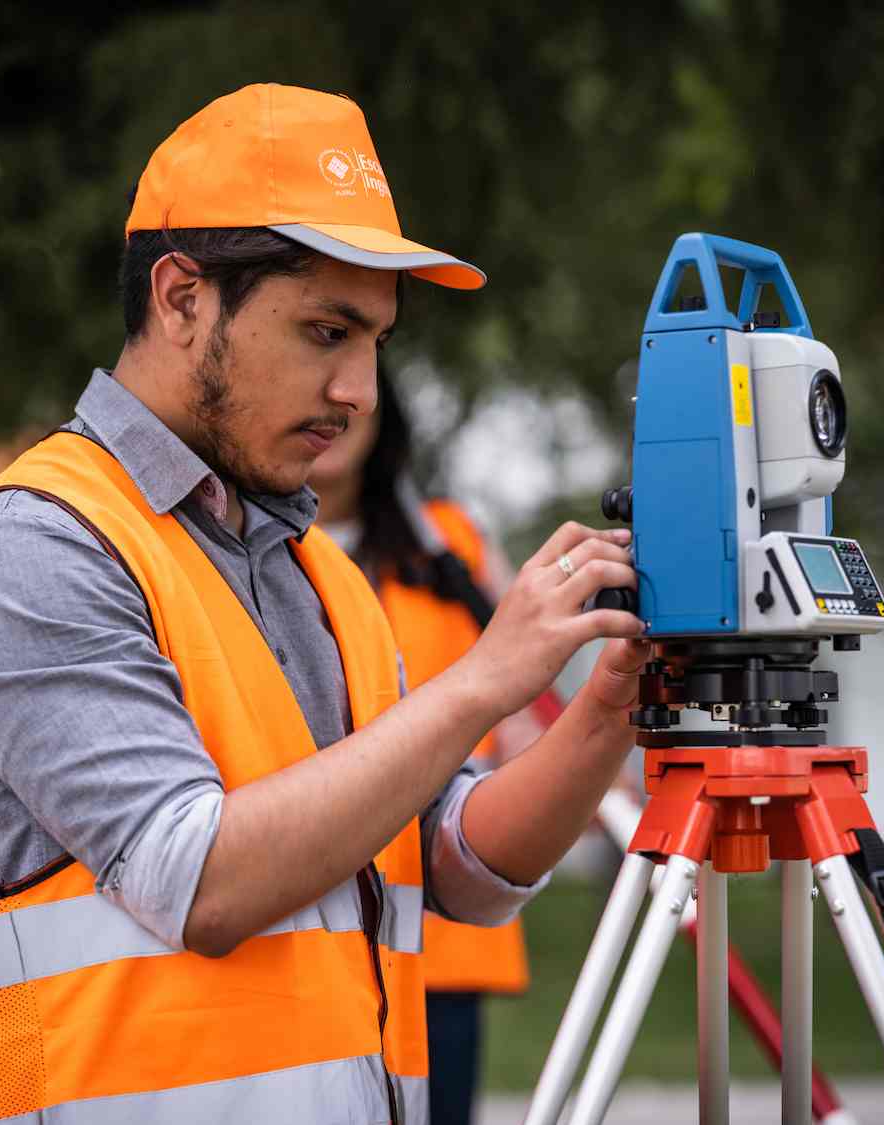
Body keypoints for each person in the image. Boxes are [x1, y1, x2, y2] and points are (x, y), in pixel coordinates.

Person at [0, 83, 646, 1125]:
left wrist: (610, 702)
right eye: (326, 331)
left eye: (375, 341)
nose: (361, 392)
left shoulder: (320, 573)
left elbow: (455, 859)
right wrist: (481, 683)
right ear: (182, 298)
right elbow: (202, 882)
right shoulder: (32, 549)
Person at [309, 365, 550, 1125]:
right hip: (303, 923)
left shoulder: (448, 544)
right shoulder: (238, 556)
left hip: (439, 929)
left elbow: (524, 722)